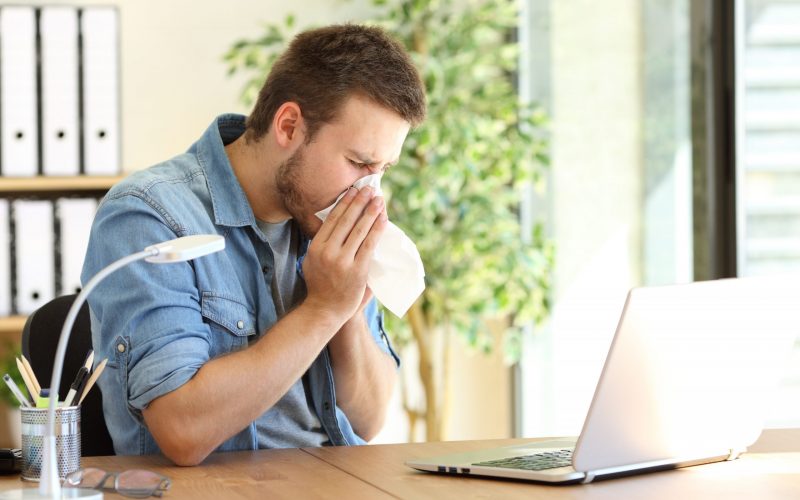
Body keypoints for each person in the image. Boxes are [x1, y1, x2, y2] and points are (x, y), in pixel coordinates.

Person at [81, 24, 426, 466]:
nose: (371, 191)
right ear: (288, 126)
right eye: (359, 163)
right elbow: (183, 432)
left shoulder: (327, 218)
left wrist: (348, 312)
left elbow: (369, 419)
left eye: (383, 169)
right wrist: (322, 309)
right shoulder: (149, 215)